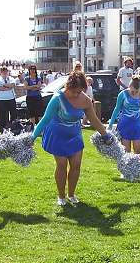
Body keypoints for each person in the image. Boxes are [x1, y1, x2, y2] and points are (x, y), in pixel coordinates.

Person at [31, 71, 111, 206]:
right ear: (68, 87)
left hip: (74, 135)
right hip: (57, 134)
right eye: (74, 91)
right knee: (61, 165)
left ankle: (71, 194)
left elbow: (94, 120)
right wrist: (32, 138)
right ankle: (61, 196)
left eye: (79, 91)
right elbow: (45, 119)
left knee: (76, 165)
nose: (76, 94)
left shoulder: (85, 100)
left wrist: (106, 135)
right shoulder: (57, 98)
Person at [108, 76, 140, 154]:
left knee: (137, 152)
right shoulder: (122, 94)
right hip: (125, 125)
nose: (134, 93)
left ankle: (137, 166)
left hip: (137, 125)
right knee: (126, 153)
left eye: (136, 91)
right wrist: (110, 124)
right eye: (132, 91)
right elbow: (117, 109)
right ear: (130, 85)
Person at [0, 66, 17, 131]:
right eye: (3, 71)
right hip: (0, 100)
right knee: (2, 116)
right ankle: (3, 129)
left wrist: (3, 85)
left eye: (6, 71)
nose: (4, 72)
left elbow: (12, 85)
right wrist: (8, 86)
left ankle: (13, 128)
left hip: (11, 98)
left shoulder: (11, 78)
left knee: (13, 115)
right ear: (0, 72)